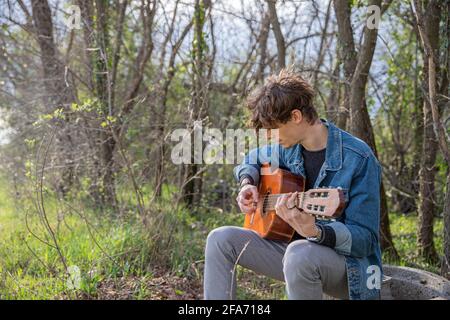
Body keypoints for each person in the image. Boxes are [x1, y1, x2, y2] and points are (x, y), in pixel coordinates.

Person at [203, 69, 383, 300]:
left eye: (272, 129)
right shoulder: (287, 148)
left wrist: (317, 232)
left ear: (296, 116)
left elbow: (365, 240)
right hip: (293, 257)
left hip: (349, 269)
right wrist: (247, 183)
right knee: (220, 239)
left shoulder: (359, 158)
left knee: (299, 254)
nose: (269, 137)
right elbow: (252, 158)